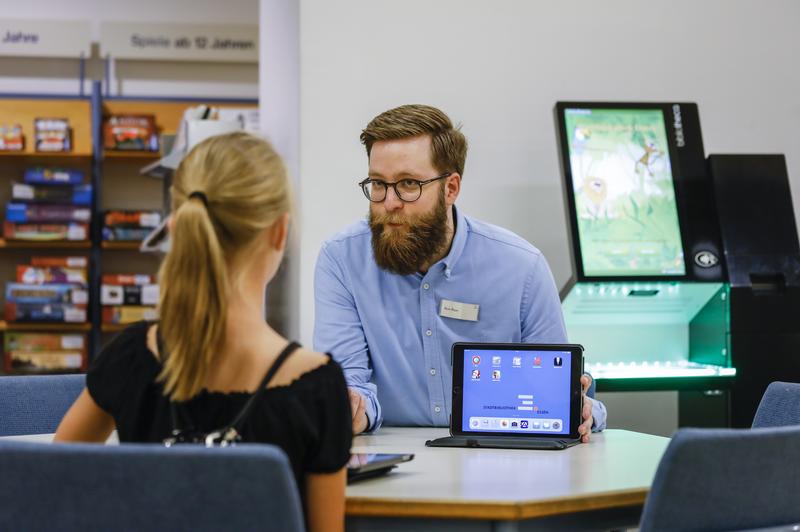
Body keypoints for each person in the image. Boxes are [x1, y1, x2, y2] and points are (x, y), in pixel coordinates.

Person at [55, 132, 351, 532]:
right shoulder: (318, 386)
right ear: (280, 232)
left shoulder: (131, 356)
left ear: (176, 226)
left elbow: (50, 485)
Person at [314, 104, 607, 440]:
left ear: (451, 188)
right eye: (378, 184)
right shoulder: (342, 261)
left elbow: (559, 392)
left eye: (408, 184)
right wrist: (350, 407)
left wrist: (581, 408)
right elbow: (351, 384)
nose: (389, 202)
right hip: (392, 469)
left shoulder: (521, 268)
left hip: (499, 467)